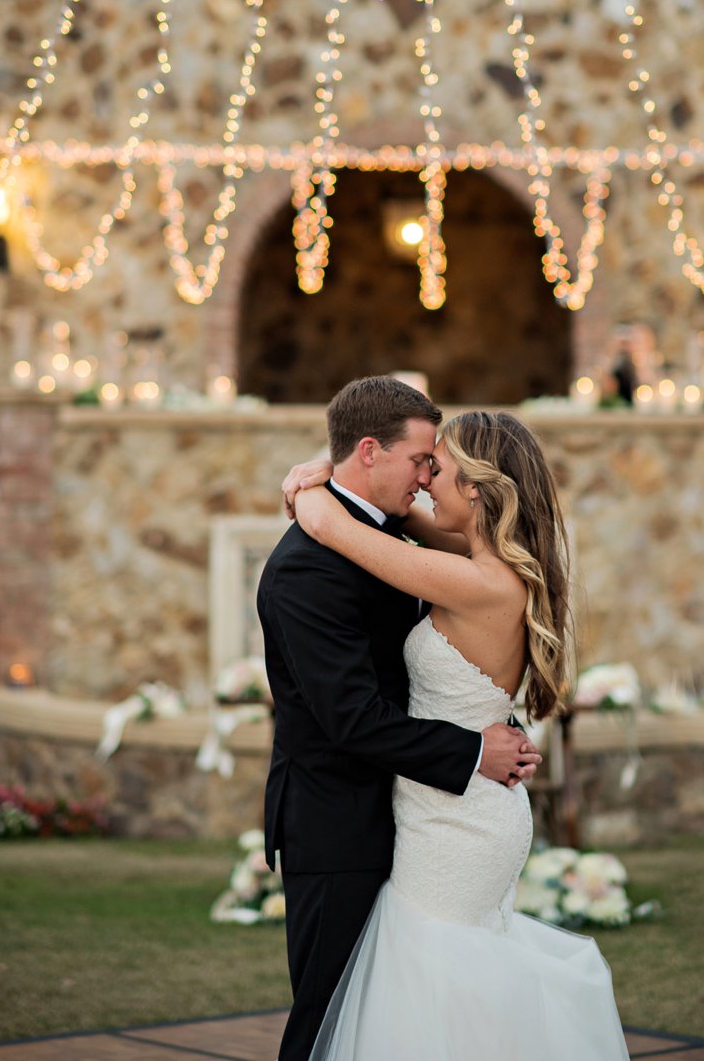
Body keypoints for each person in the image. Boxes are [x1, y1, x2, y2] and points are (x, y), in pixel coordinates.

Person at [287, 407, 631, 1061]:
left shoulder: (477, 581)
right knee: (445, 989)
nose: (422, 482)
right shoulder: (484, 561)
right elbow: (389, 514)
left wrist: (310, 484)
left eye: (435, 468)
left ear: (474, 486)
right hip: (457, 805)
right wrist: (326, 469)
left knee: (434, 987)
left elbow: (335, 524)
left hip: (457, 824)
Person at [257, 377, 542, 1061]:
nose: (426, 476)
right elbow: (352, 719)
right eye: (421, 460)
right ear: (368, 451)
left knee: (406, 1013)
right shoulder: (307, 570)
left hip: (420, 818)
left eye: (437, 466)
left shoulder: (393, 542)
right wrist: (474, 750)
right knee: (331, 1019)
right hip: (337, 824)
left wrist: (316, 499)